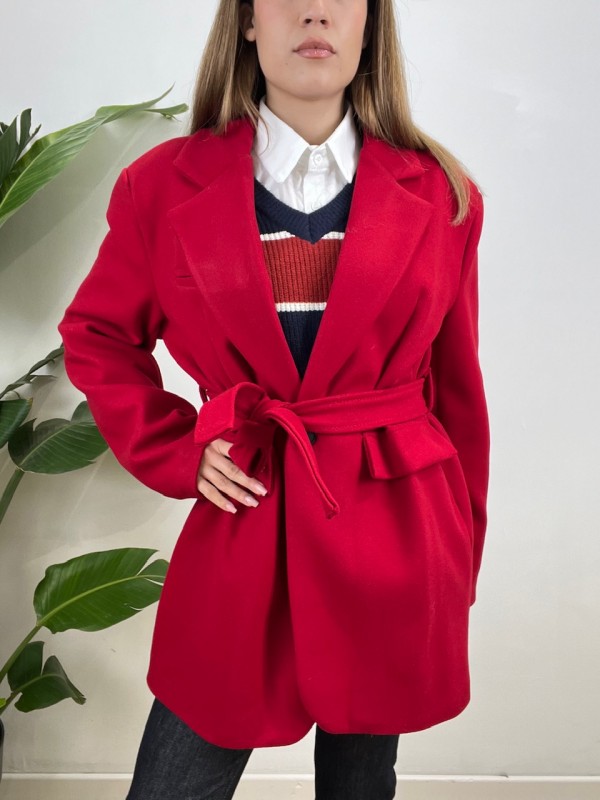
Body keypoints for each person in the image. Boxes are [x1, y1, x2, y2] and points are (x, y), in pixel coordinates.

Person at [57, 0, 490, 797]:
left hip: (396, 530)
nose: (316, 11)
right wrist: (179, 449)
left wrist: (462, 550)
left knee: (362, 783)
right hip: (246, 522)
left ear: (370, 23)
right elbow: (98, 333)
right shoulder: (161, 187)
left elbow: (458, 391)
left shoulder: (442, 194)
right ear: (249, 20)